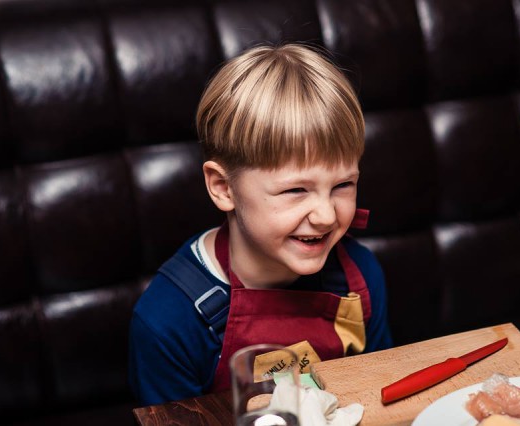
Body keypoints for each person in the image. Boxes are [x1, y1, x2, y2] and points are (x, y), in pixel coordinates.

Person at [128, 43, 393, 406]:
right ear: (224, 188)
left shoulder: (360, 278)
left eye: (343, 185)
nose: (327, 216)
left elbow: (381, 402)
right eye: (296, 190)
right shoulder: (169, 322)